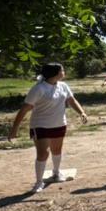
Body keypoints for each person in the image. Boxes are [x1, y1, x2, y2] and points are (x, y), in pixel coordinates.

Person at [7, 63, 88, 193]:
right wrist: (14, 129)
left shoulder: (63, 86)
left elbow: (71, 100)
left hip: (59, 124)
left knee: (57, 150)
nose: (64, 72)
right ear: (55, 73)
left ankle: (56, 172)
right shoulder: (39, 89)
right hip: (40, 125)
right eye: (62, 70)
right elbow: (24, 109)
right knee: (43, 153)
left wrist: (81, 112)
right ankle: (39, 182)